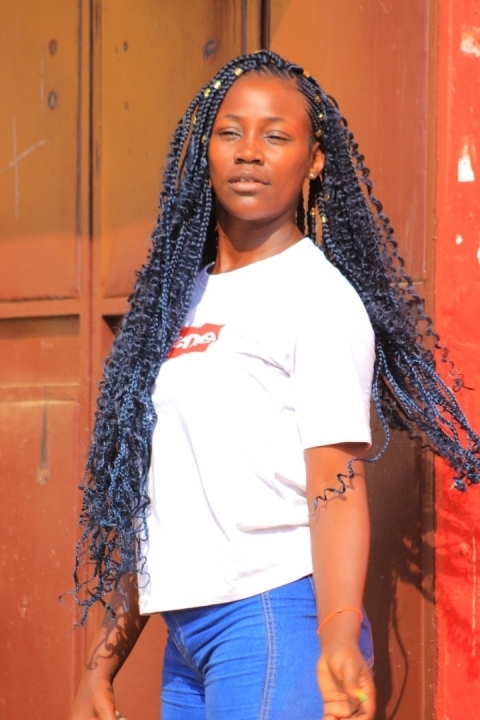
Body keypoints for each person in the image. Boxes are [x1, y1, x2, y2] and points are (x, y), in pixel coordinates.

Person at [68, 51, 480, 720]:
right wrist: (104, 662)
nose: (249, 152)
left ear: (314, 161)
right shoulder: (178, 300)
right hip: (187, 639)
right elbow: (164, 496)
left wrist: (338, 633)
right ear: (205, 150)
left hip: (269, 620)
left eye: (276, 135)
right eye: (230, 132)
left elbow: (335, 487)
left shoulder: (316, 298)